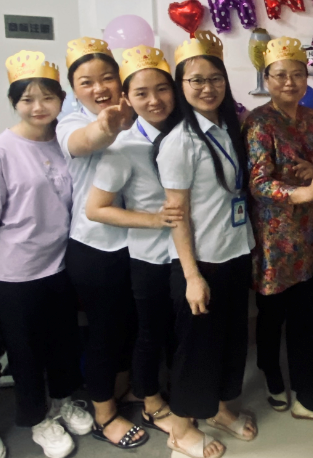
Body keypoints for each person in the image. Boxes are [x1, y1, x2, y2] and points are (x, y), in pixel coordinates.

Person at [83, 45, 219, 457]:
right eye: (141, 93)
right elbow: (96, 209)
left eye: (162, 89)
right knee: (150, 334)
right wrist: (154, 220)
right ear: (127, 98)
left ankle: (182, 400)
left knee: (181, 333)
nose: (155, 100)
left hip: (190, 253)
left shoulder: (191, 132)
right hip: (150, 258)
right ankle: (151, 402)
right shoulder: (124, 147)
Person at [156, 30, 257, 451]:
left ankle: (217, 409)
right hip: (202, 262)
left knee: (229, 342)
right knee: (196, 351)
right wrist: (192, 276)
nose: (207, 87)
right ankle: (180, 431)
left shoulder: (228, 128)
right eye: (195, 80)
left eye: (215, 78)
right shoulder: (179, 142)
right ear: (181, 85)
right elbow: (176, 215)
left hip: (234, 253)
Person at [243, 37, 313, 426]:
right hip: (273, 240)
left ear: (306, 78)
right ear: (266, 79)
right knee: (271, 316)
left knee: (304, 317)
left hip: (309, 234)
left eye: (297, 74)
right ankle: (271, 374)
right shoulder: (258, 123)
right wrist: (300, 192)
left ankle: (306, 393)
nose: (289, 82)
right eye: (280, 75)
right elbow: (258, 184)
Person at [0, 50, 92, 458]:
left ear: (61, 99)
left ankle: (63, 401)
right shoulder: (4, 149)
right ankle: (38, 419)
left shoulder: (65, 142)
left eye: (47, 97)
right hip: (17, 271)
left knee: (63, 342)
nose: (38, 107)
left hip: (61, 264)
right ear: (14, 102)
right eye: (27, 99)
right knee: (26, 351)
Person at [57, 37, 147, 450]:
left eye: (107, 78)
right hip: (94, 247)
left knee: (132, 326)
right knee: (104, 333)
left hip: (137, 243)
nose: (99, 88)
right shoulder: (70, 123)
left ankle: (123, 389)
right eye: (86, 82)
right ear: (74, 90)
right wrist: (109, 125)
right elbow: (84, 142)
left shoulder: (140, 112)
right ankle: (104, 415)